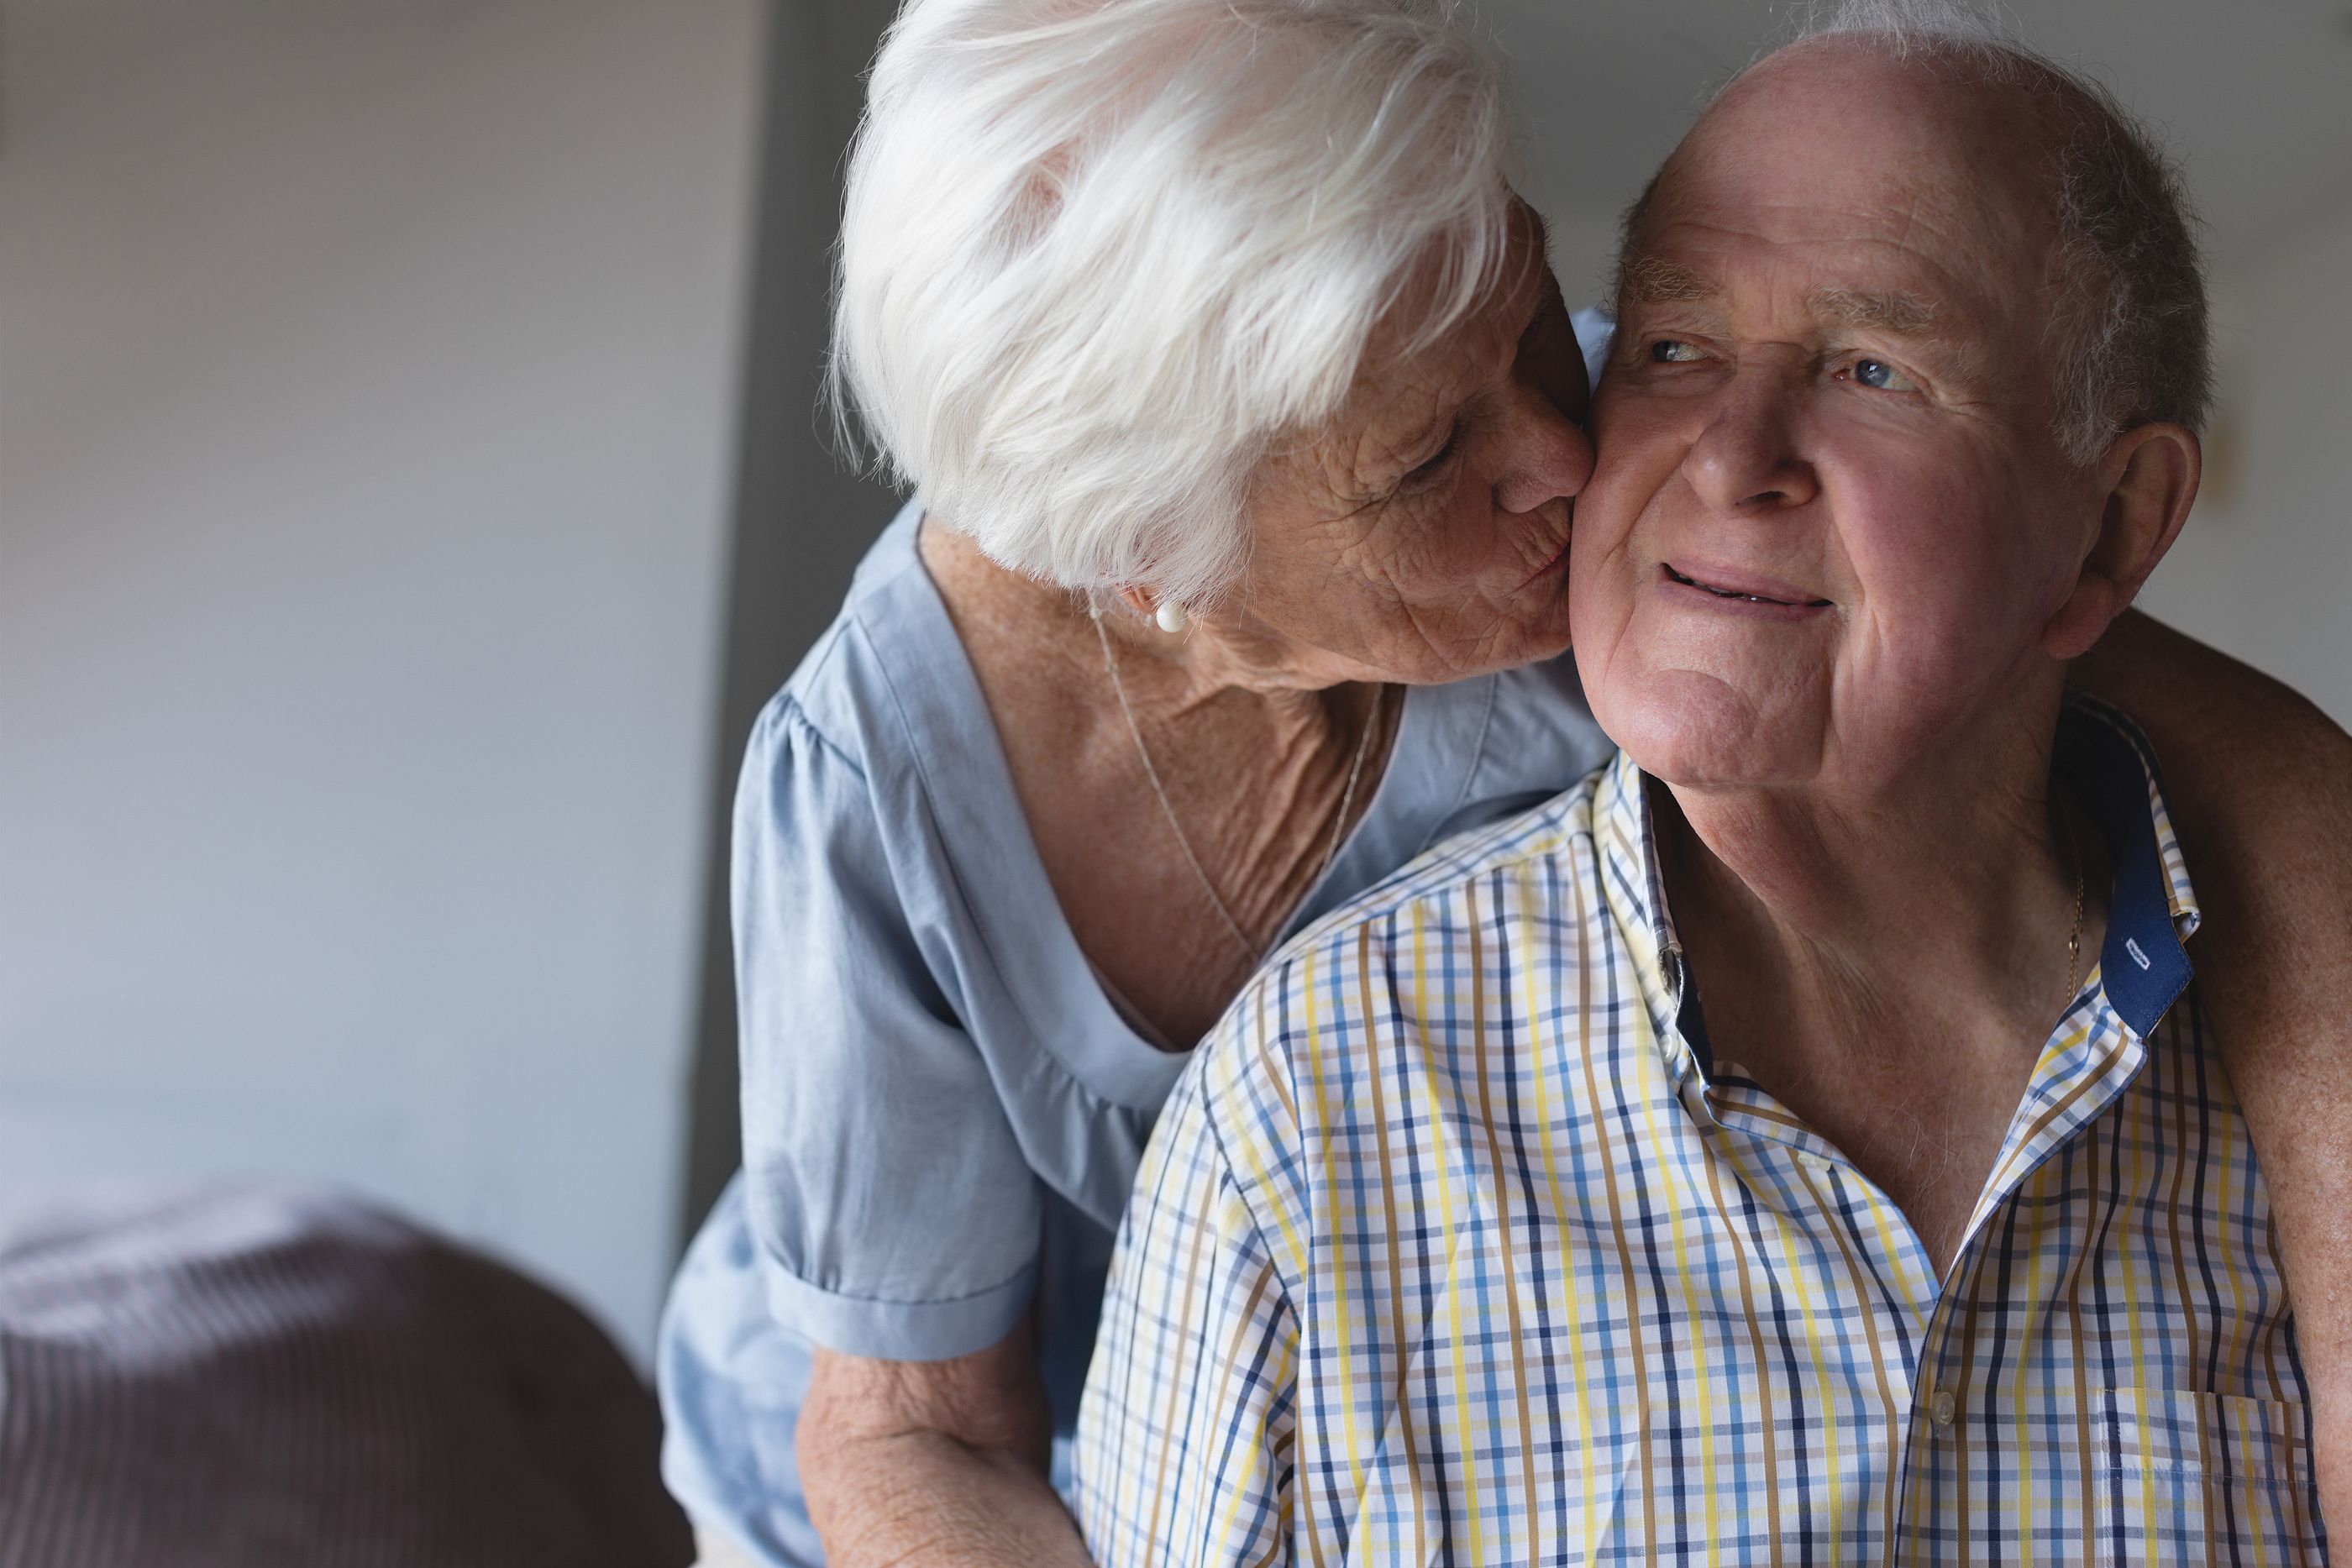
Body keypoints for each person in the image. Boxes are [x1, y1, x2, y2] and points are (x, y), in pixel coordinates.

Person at [660, 1, 2352, 1563]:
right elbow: (908, 1433)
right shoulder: (872, 788)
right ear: (1153, 566)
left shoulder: (1639, 442)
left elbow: (2199, 726)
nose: (1574, 457)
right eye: (1423, 462)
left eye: (1536, 318)